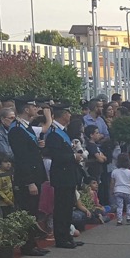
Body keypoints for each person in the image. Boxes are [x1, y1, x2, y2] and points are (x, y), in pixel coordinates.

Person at [6, 101, 49, 256]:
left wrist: (39, 145)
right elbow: (22, 157)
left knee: (33, 210)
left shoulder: (25, 126)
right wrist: (29, 181)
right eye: (33, 106)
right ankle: (28, 245)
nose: (35, 109)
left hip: (35, 173)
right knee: (28, 210)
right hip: (27, 177)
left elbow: (30, 150)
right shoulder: (17, 129)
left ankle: (32, 243)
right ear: (26, 109)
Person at [44, 106, 83, 249]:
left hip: (68, 174)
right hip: (62, 175)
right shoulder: (54, 133)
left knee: (67, 207)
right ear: (64, 114)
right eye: (68, 113)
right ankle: (61, 237)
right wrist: (73, 157)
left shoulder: (62, 131)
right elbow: (56, 155)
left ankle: (67, 235)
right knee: (61, 208)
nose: (70, 116)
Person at [111, 156, 130, 224]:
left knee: (119, 206)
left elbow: (112, 183)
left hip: (118, 190)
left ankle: (119, 220)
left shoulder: (114, 172)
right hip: (127, 191)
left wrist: (112, 190)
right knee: (129, 204)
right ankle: (128, 217)